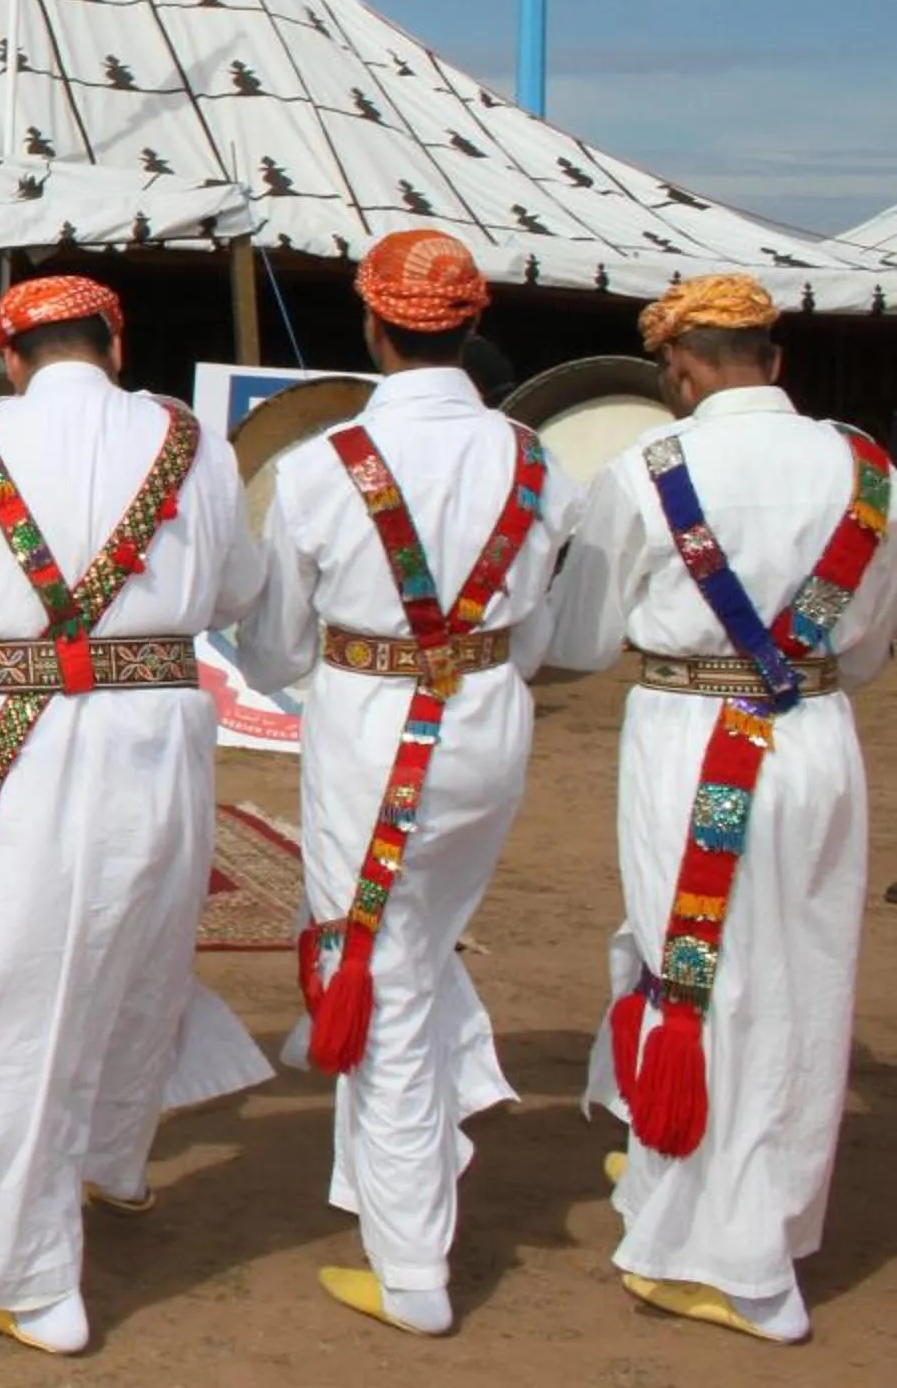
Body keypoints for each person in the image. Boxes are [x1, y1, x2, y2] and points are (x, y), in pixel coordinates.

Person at [0, 274, 269, 1356]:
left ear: (10, 354)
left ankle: (22, 1268)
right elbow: (236, 591)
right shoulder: (194, 444)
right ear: (116, 342)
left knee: (20, 991)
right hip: (163, 731)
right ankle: (110, 1160)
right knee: (145, 948)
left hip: (17, 739)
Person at [235, 232, 584, 1335]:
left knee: (376, 975)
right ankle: (431, 1129)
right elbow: (539, 634)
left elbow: (276, 646)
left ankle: (410, 1260)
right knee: (419, 948)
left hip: (372, 726)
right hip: (489, 723)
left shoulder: (318, 464)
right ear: (469, 328)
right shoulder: (537, 458)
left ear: (375, 329)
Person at [546, 275, 897, 1344]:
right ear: (774, 359)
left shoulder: (650, 469)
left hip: (696, 741)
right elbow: (874, 642)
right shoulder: (870, 468)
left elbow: (579, 638)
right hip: (821, 738)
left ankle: (730, 1260)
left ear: (681, 369)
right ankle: (698, 1185)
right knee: (805, 974)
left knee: (701, 977)